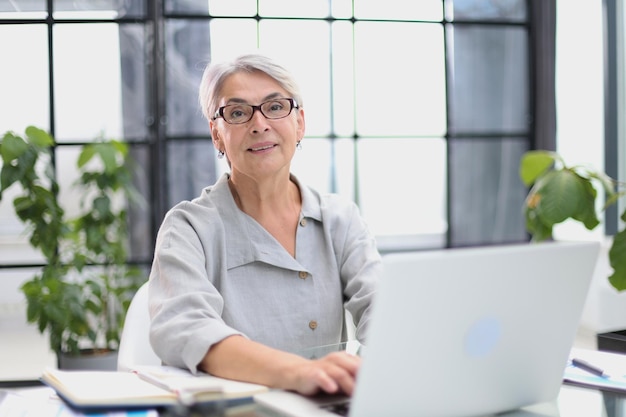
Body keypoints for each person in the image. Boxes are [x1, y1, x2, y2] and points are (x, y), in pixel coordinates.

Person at [148, 53, 381, 396]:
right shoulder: (187, 228)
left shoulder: (340, 219)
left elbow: (384, 312)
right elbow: (186, 329)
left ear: (300, 123)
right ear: (217, 134)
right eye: (238, 113)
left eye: (275, 107)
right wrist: (301, 372)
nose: (259, 125)